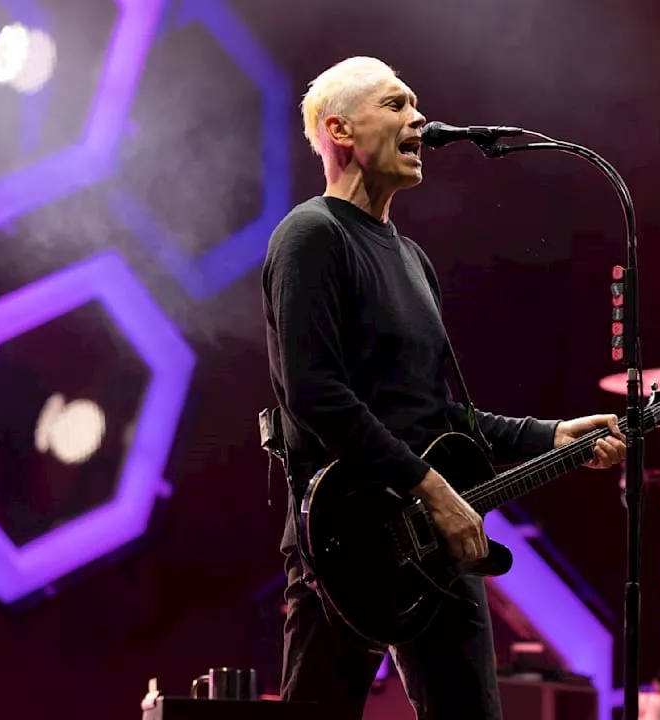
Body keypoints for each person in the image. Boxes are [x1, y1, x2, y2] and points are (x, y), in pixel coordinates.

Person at [261, 56, 628, 720]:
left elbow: (441, 415)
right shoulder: (310, 236)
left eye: (417, 105)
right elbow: (315, 394)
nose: (420, 119)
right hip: (345, 538)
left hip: (435, 537)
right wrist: (432, 489)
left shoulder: (412, 259)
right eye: (397, 105)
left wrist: (553, 435)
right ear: (341, 129)